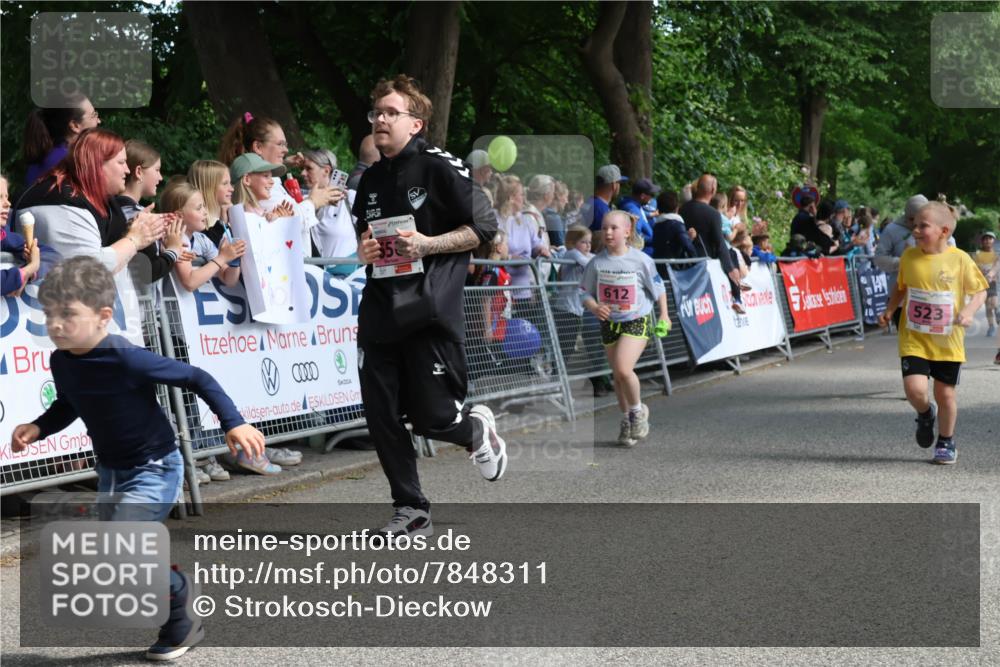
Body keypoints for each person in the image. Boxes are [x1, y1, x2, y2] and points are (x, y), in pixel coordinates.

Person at [10, 256, 266, 660]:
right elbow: (68, 404)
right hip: (112, 471)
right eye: (49, 314)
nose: (55, 324)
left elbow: (198, 378)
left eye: (67, 314)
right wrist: (39, 426)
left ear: (103, 316)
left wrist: (233, 423)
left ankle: (180, 598)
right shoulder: (62, 360)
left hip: (155, 467)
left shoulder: (126, 358)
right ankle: (178, 619)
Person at [352, 74, 505, 537]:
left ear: (415, 124)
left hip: (428, 310)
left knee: (434, 418)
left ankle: (476, 432)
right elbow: (366, 237)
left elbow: (484, 229)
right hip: (380, 310)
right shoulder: (370, 179)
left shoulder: (441, 166)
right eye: (376, 112)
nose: (380, 119)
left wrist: (427, 243)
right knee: (381, 416)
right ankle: (411, 507)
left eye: (391, 113)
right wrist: (366, 252)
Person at [877, 203, 988, 465]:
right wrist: (889, 309)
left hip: (948, 340)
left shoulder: (959, 258)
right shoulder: (909, 257)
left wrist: (969, 311)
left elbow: (980, 290)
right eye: (914, 224)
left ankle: (946, 440)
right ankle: (926, 414)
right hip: (914, 336)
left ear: (943, 231)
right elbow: (901, 288)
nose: (915, 230)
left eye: (922, 226)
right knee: (915, 390)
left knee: (945, 394)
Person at [16, 129, 165, 280]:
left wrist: (132, 229)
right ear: (97, 164)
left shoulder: (87, 199)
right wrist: (135, 239)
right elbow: (91, 269)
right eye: (121, 162)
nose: (127, 170)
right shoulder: (65, 201)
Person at [580, 211, 670, 447]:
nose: (608, 232)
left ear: (627, 232)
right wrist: (594, 306)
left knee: (622, 367)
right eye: (605, 228)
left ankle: (638, 413)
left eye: (614, 228)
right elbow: (583, 292)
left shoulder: (641, 260)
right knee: (618, 377)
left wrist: (665, 315)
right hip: (609, 322)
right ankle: (626, 420)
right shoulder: (596, 262)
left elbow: (659, 288)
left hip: (636, 319)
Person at [219, 113, 341, 255]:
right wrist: (314, 202)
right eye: (280, 144)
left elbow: (288, 216)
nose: (286, 149)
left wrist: (284, 163)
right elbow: (292, 222)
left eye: (286, 144)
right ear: (258, 146)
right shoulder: (260, 188)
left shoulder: (264, 182)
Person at [552, 225, 612, 396]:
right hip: (566, 308)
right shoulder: (571, 253)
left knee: (569, 348)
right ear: (572, 242)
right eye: (583, 242)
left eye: (589, 242)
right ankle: (556, 381)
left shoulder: (588, 255)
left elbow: (597, 260)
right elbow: (590, 263)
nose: (587, 246)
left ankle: (557, 381)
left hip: (576, 309)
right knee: (565, 347)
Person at [161, 180, 244, 291]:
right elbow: (189, 282)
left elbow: (228, 279)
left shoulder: (202, 240)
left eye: (204, 206)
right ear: (179, 215)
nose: (205, 212)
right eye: (199, 208)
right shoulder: (174, 239)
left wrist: (234, 259)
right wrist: (222, 257)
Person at [680, 174, 743, 312]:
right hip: (707, 267)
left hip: (685, 263)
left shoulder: (683, 209)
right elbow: (720, 243)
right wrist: (730, 268)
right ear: (713, 189)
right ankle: (738, 299)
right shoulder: (713, 214)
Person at [875, 194, 930, 328]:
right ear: (907, 216)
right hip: (902, 297)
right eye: (911, 220)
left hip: (930, 296)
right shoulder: (892, 230)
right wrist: (903, 264)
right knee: (909, 344)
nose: (915, 225)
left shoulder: (936, 228)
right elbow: (879, 259)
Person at [23, 95, 101, 185]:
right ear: (75, 125)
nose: (98, 121)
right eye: (93, 115)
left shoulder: (42, 159)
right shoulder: (73, 162)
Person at [299, 148, 358, 262]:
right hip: (318, 275)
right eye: (302, 168)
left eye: (309, 168)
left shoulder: (349, 198)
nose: (302, 173)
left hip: (350, 274)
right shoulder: (304, 203)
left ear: (326, 170)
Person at [1, 174, 41, 296]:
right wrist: (30, 268)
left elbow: (51, 254)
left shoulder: (4, 234)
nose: (7, 203)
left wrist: (31, 272)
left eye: (7, 197)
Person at [229, 153, 294, 221]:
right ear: (247, 179)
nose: (272, 182)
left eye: (271, 177)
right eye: (266, 176)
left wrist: (279, 220)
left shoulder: (258, 213)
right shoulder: (243, 216)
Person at [187, 159, 235, 247]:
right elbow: (206, 246)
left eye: (230, 183)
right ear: (208, 187)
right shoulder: (195, 222)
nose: (232, 189)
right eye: (225, 184)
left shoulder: (227, 215)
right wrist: (221, 224)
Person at [650, 190, 697, 278]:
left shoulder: (657, 225)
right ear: (677, 207)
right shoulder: (676, 224)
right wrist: (698, 264)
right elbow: (688, 247)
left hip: (659, 268)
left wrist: (688, 238)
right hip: (674, 270)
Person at [618, 178, 659, 255]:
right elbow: (636, 237)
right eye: (651, 195)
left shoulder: (636, 206)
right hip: (643, 253)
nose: (652, 198)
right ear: (642, 196)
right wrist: (657, 240)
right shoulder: (633, 210)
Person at [582, 164, 627, 232]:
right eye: (619, 183)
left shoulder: (588, 202)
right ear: (614, 185)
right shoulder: (602, 211)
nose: (620, 186)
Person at [973, 231, 998, 336]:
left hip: (993, 282)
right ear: (982, 242)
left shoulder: (996, 254)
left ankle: (997, 312)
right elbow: (974, 267)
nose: (987, 241)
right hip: (982, 282)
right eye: (985, 239)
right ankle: (991, 326)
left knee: (993, 303)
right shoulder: (977, 254)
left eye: (990, 238)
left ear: (994, 241)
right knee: (988, 306)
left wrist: (992, 273)